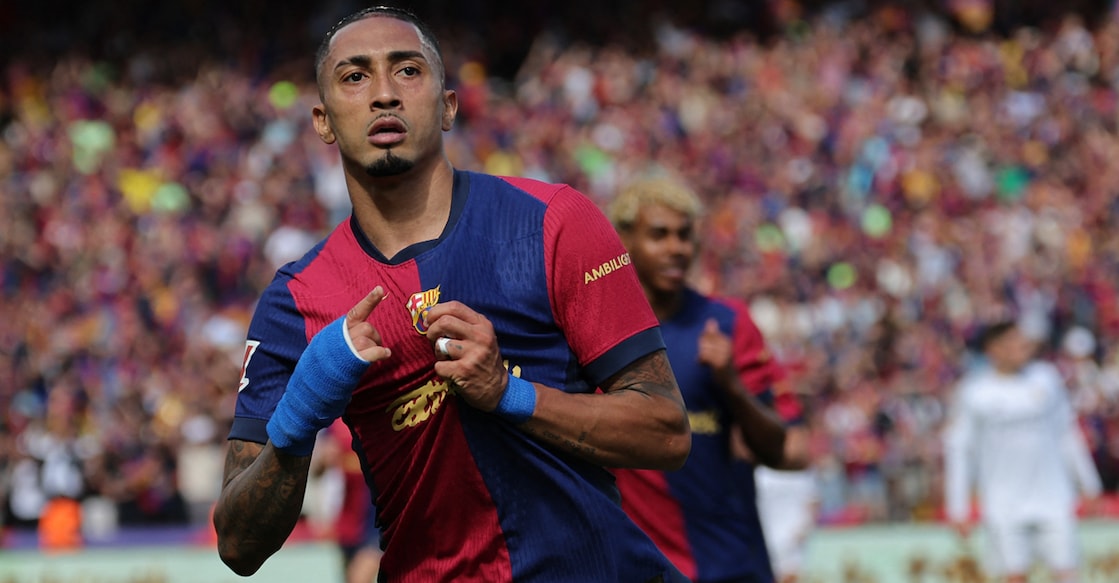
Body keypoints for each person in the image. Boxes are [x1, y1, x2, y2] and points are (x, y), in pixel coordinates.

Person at [211, 6, 692, 582]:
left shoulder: (553, 223)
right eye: (355, 76)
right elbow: (238, 546)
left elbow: (666, 431)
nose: (384, 94)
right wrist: (298, 416)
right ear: (323, 120)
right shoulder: (297, 299)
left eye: (408, 71)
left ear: (447, 106)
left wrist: (508, 394)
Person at [607, 174, 810, 583]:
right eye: (659, 235)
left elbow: (785, 450)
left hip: (731, 565)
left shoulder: (727, 324)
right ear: (624, 241)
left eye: (685, 236)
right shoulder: (594, 329)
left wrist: (732, 385)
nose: (676, 249)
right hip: (636, 568)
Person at [943, 319, 1103, 583]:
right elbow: (960, 451)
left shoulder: (1046, 378)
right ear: (993, 349)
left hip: (1052, 496)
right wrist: (957, 507)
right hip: (1003, 502)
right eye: (1013, 342)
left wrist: (1089, 484)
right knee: (1015, 575)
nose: (1022, 346)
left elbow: (1067, 433)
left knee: (1067, 572)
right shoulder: (975, 392)